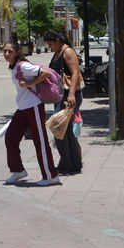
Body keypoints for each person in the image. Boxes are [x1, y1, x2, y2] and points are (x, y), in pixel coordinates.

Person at [2, 40, 59, 186]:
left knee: (40, 141)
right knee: (11, 137)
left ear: (17, 52)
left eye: (10, 51)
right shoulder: (13, 67)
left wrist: (29, 84)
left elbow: (46, 73)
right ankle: (18, 170)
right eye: (5, 51)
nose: (7, 54)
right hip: (22, 108)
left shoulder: (23, 65)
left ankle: (50, 175)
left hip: (33, 106)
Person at [44, 30, 83, 175]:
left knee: (58, 127)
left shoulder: (67, 52)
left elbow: (75, 73)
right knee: (65, 130)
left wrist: (72, 94)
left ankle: (67, 162)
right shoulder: (58, 52)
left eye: (50, 44)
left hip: (69, 95)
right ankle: (72, 163)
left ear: (58, 40)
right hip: (60, 96)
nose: (50, 47)